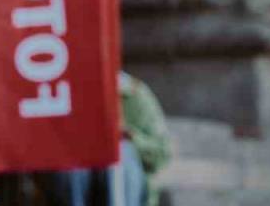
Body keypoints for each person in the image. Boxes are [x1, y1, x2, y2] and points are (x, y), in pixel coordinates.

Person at [36, 72, 171, 206]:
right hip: (76, 182)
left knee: (121, 149)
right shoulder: (58, 90)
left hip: (128, 188)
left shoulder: (133, 94)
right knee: (71, 154)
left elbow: (161, 155)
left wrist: (129, 136)